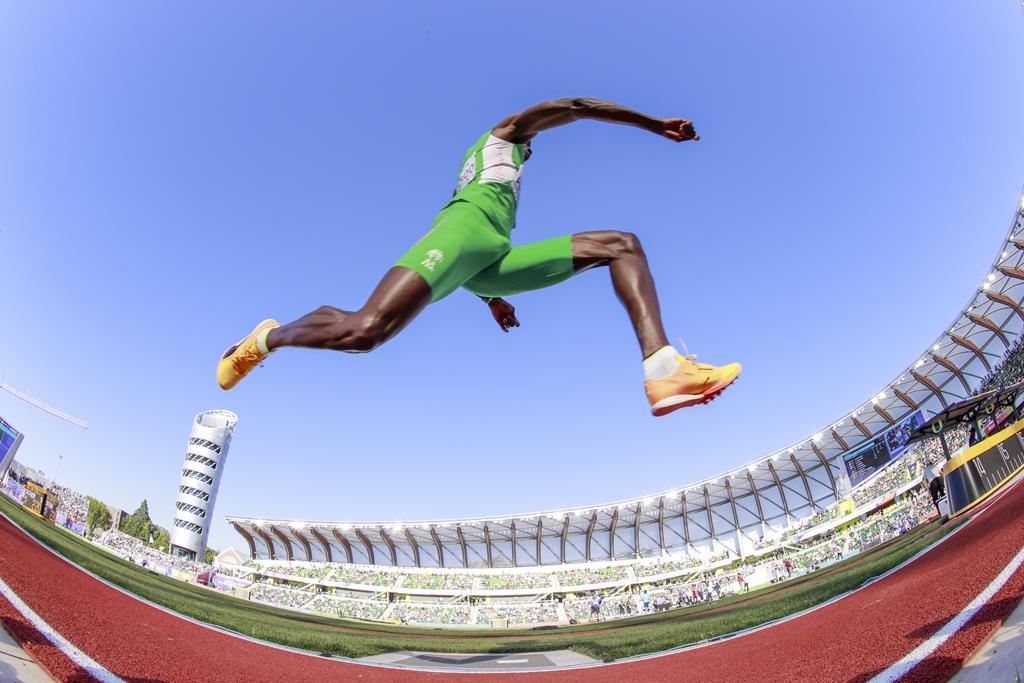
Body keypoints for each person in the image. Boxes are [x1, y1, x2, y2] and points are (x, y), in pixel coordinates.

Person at [217, 98, 741, 416]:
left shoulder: (510, 177)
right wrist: (653, 125)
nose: (533, 149)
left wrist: (491, 297)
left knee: (621, 244)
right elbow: (577, 106)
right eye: (531, 141)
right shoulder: (504, 133)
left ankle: (664, 366)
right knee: (363, 333)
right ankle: (265, 339)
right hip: (461, 233)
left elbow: (482, 256)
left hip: (490, 258)